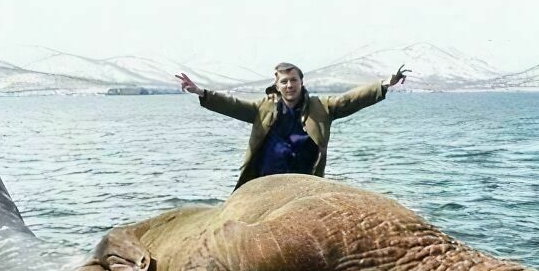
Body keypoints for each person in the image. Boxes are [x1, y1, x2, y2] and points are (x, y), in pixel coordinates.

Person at [175, 61, 410, 191]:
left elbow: (350, 99)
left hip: (305, 184)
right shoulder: (262, 108)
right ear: (277, 85)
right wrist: (201, 92)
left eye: (294, 80)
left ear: (301, 82)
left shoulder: (322, 106)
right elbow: (232, 105)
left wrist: (384, 84)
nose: (289, 85)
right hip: (265, 183)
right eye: (284, 81)